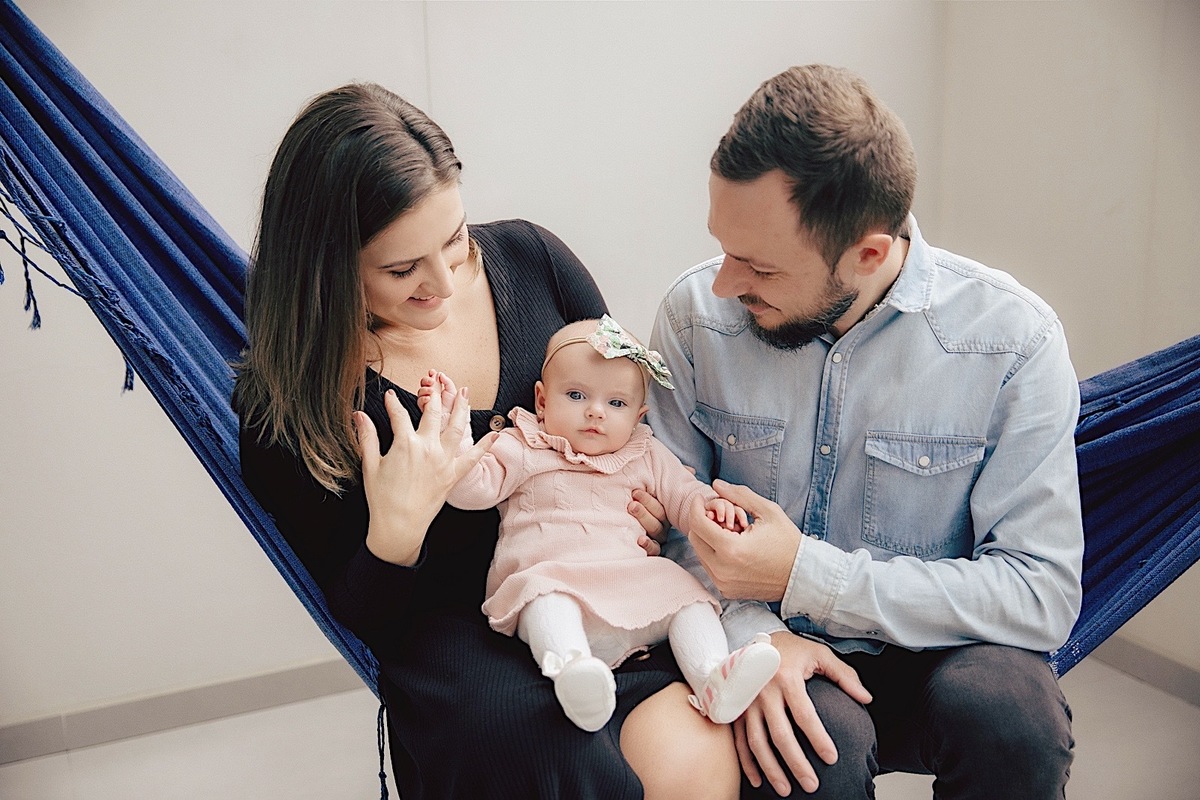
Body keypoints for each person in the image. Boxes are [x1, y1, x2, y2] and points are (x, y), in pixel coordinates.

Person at [234, 82, 741, 800]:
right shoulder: (287, 408)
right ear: (324, 267)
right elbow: (360, 617)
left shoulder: (534, 261)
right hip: (456, 635)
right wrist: (396, 533)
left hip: (603, 571)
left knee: (693, 755)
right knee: (544, 752)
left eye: (455, 241)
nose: (441, 285)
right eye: (402, 269)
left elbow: (626, 407)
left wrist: (649, 501)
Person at [647, 65, 1083, 799]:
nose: (723, 284)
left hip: (945, 648)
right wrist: (759, 634)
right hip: (767, 638)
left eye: (756, 265)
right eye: (722, 246)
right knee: (807, 749)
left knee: (1014, 721)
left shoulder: (1013, 342)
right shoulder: (695, 319)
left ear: (869, 255)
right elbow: (663, 528)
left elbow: (1038, 594)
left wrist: (808, 576)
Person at [423, 316, 780, 733]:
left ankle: (713, 676)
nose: (595, 412)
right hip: (556, 577)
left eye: (616, 404)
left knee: (689, 595)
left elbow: (683, 495)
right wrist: (452, 429)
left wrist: (711, 507)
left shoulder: (644, 452)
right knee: (544, 598)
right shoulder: (523, 445)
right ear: (542, 400)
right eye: (576, 395)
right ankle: (574, 673)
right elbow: (470, 491)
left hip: (632, 583)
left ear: (638, 416)